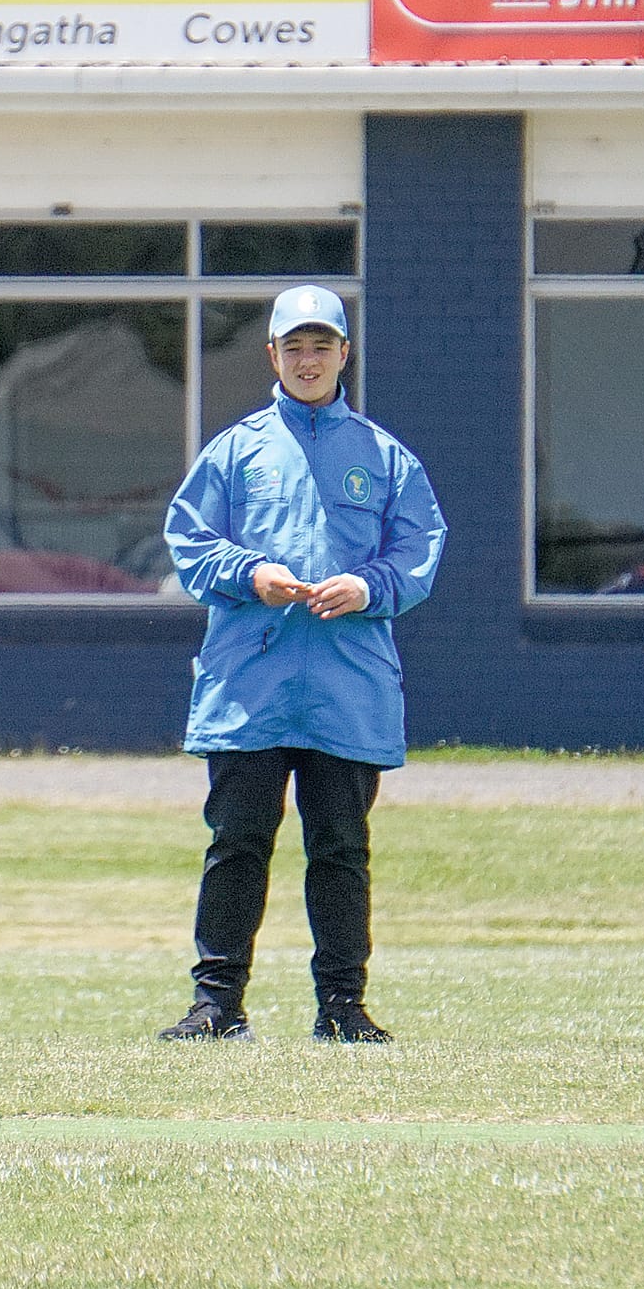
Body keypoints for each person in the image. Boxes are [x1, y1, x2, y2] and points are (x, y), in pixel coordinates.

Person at [157, 285, 446, 1045]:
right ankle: (216, 1006)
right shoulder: (234, 451)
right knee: (237, 845)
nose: (308, 360)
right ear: (272, 356)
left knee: (342, 851)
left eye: (322, 346)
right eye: (294, 347)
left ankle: (342, 1010)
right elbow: (189, 544)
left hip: (348, 692)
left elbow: (417, 555)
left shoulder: (385, 459)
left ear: (345, 354)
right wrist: (250, 574)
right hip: (249, 689)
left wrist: (368, 586)